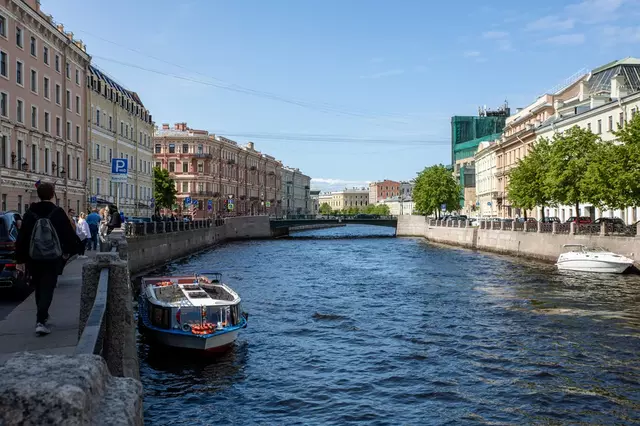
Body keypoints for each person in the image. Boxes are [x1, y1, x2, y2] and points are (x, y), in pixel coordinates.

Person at [15, 182, 80, 336]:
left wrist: (20, 258)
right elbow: (67, 233)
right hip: (52, 257)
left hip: (34, 257)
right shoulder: (57, 212)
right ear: (52, 195)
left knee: (38, 286)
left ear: (39, 194)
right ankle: (41, 320)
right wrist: (72, 250)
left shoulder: (30, 213)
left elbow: (23, 236)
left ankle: (42, 316)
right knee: (48, 286)